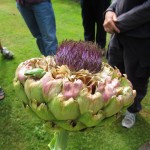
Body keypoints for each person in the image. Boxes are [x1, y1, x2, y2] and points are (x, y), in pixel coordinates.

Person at [103, 0, 150, 128]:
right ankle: (111, 105)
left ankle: (132, 110)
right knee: (113, 73)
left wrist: (116, 23)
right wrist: (109, 12)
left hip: (141, 38)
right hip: (118, 36)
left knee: (135, 78)